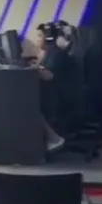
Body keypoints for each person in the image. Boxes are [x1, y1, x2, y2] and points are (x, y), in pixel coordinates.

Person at [35, 23, 71, 153]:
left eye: (40, 36)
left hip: (58, 99)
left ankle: (54, 139)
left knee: (28, 106)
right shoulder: (49, 53)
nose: (37, 39)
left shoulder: (56, 54)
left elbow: (49, 76)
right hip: (54, 94)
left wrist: (35, 69)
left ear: (49, 38)